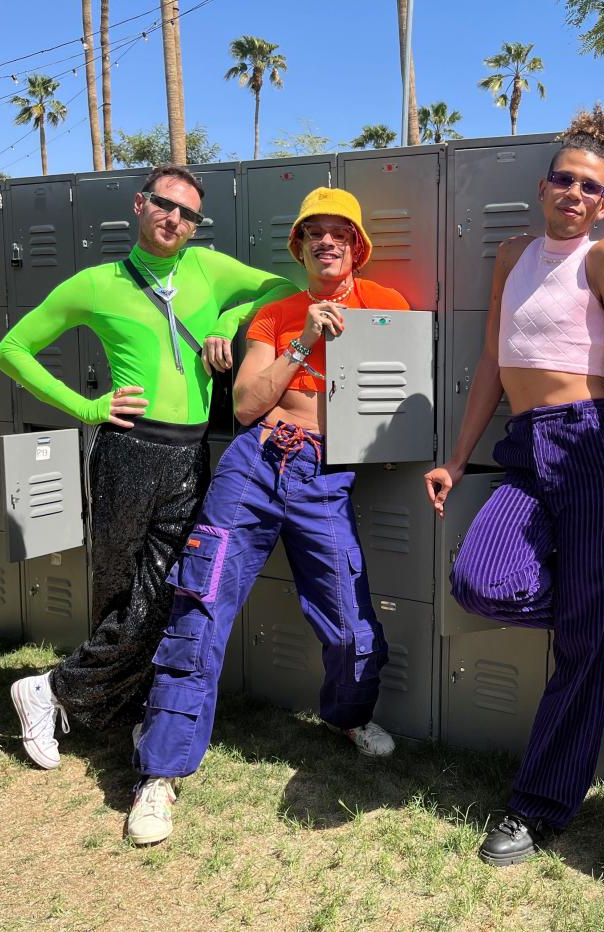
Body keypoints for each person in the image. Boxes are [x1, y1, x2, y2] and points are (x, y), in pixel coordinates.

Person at [424, 106, 604, 867]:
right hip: (525, 449)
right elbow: (491, 361)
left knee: (583, 647)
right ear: (544, 184)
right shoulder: (513, 254)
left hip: (591, 446)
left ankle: (537, 806)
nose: (575, 193)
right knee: (479, 581)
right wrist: (456, 460)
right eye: (564, 178)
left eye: (591, 186)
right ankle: (600, 609)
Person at [126, 187, 410, 845]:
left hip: (325, 477)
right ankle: (160, 772)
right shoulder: (279, 315)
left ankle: (347, 714)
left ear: (357, 245)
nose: (327, 241)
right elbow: (250, 405)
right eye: (315, 232)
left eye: (340, 231)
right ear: (300, 247)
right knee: (199, 608)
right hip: (255, 467)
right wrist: (305, 337)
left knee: (349, 620)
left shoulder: (387, 307)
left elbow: (400, 394)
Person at [0, 164, 290, 770]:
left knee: (163, 596)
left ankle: (55, 692)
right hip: (129, 451)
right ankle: (77, 700)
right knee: (119, 592)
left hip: (191, 453)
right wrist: (87, 407)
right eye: (165, 205)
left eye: (188, 215)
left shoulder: (209, 270)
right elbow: (11, 350)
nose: (175, 220)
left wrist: (228, 326)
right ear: (140, 204)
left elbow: (283, 287)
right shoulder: (98, 283)